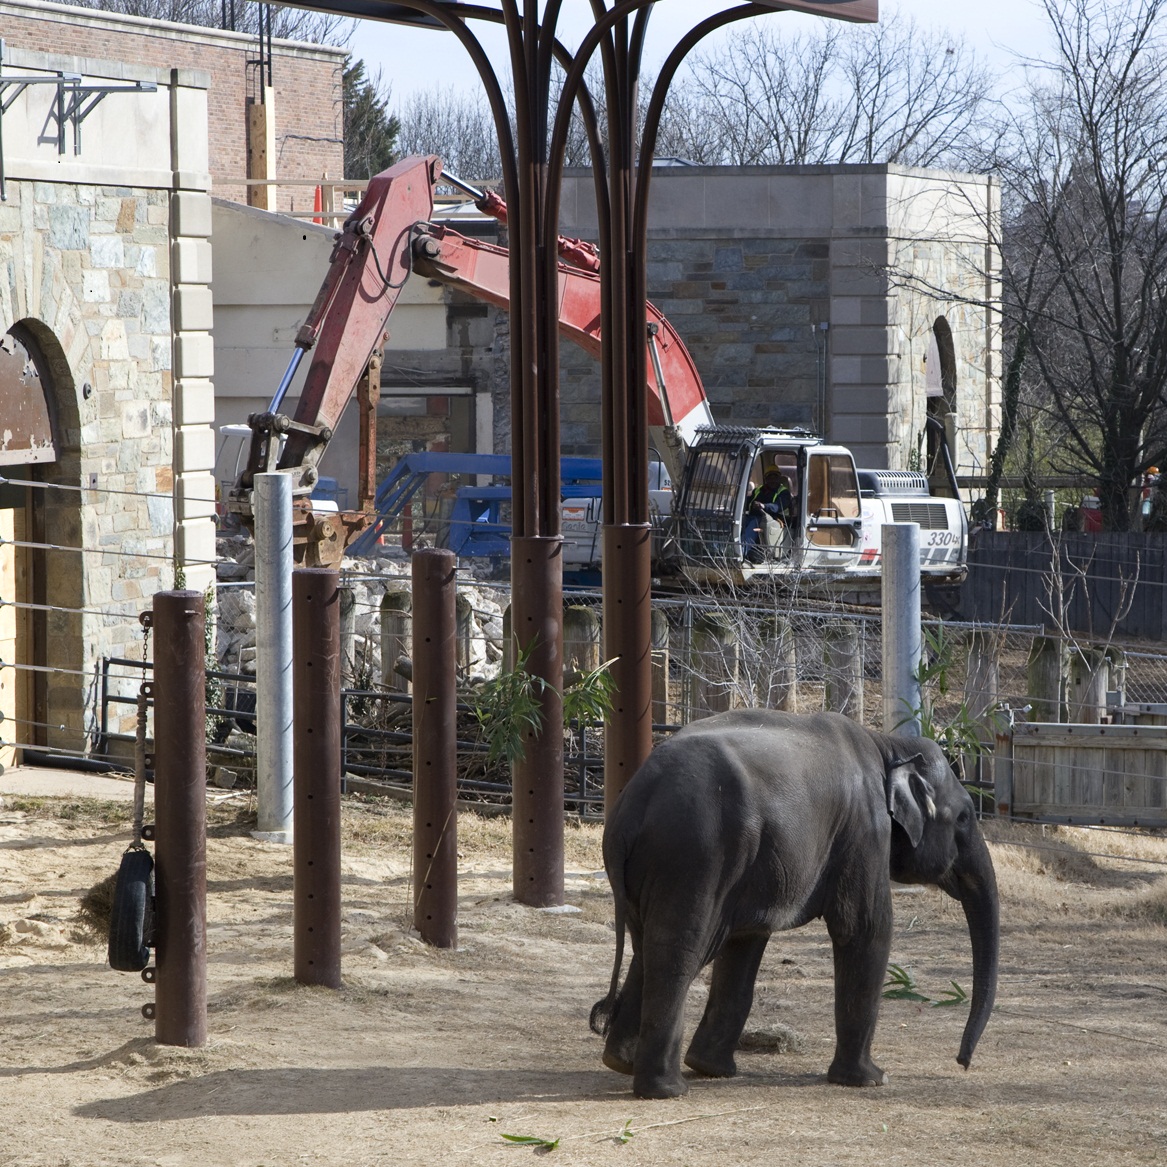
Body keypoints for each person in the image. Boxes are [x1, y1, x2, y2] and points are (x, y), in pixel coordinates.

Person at [742, 468, 793, 561]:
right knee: (739, 521)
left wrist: (763, 506)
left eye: (775, 477)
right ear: (766, 479)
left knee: (754, 523)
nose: (772, 480)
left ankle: (741, 552)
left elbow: (778, 506)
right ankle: (725, 550)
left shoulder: (784, 493)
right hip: (754, 516)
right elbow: (747, 502)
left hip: (775, 520)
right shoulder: (759, 490)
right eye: (770, 477)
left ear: (779, 479)